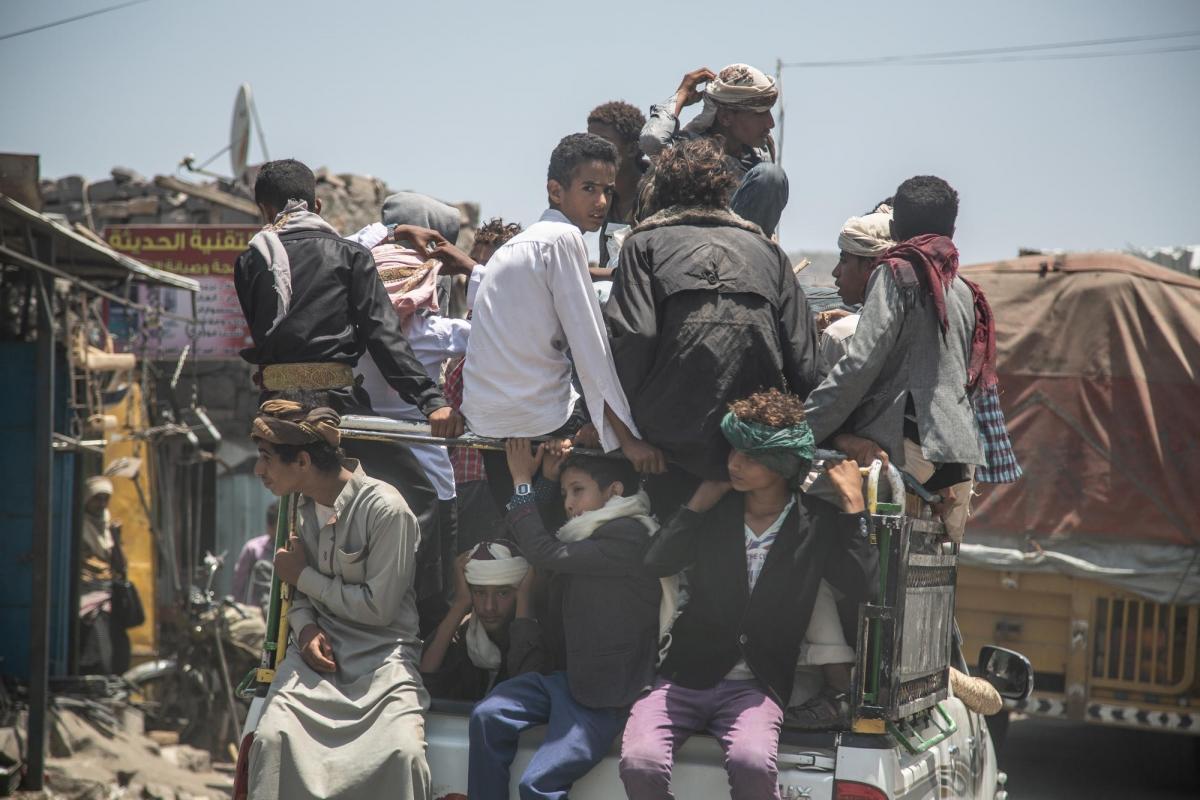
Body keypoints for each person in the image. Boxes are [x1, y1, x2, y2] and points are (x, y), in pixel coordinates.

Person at [233, 159, 461, 633]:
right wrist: (431, 400)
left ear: (263, 210)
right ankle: (417, 612)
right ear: (318, 205)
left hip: (275, 410)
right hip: (333, 411)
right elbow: (384, 338)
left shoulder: (252, 256)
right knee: (417, 493)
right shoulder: (348, 256)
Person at [619, 390, 878, 800]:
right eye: (734, 452)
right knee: (640, 762)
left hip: (756, 687)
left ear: (781, 465)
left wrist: (853, 506)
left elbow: (864, 584)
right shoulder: (715, 512)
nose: (734, 463)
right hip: (684, 677)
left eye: (750, 457)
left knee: (752, 764)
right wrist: (698, 504)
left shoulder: (817, 522)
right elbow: (656, 563)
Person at [604, 136, 819, 517]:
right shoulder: (769, 252)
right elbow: (805, 359)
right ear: (724, 191)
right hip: (753, 441)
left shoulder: (643, 244)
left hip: (666, 445)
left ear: (661, 191)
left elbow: (635, 337)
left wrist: (627, 434)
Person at [461, 133, 663, 512]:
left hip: (488, 421)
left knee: (519, 524)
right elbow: (591, 347)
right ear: (556, 191)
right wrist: (628, 439)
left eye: (607, 190)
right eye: (589, 188)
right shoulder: (563, 238)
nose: (601, 202)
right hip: (543, 421)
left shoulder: (513, 246)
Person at [247, 397, 430, 799]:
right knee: (272, 739)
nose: (259, 471)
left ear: (302, 463)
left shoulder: (387, 510)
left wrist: (303, 576)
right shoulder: (297, 505)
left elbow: (378, 609)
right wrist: (306, 626)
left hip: (383, 660)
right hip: (315, 661)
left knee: (404, 754)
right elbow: (297, 599)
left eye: (266, 458)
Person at [467, 442, 663, 800]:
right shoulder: (584, 530)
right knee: (487, 716)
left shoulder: (628, 535)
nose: (569, 503)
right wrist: (545, 480)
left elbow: (545, 550)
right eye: (565, 493)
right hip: (566, 681)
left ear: (613, 491)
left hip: (605, 696)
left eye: (578, 491)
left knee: (537, 785)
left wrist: (522, 480)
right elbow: (529, 536)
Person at [804, 176, 995, 542]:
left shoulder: (896, 273)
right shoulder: (964, 290)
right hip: (951, 460)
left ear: (895, 227)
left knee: (795, 484)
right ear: (952, 228)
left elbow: (860, 364)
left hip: (903, 448)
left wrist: (805, 428)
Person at [354, 191, 478, 632]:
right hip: (428, 477)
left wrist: (387, 234)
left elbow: (340, 254)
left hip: (361, 469)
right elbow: (499, 323)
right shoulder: (433, 332)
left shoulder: (348, 331)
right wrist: (473, 268)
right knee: (430, 588)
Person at [640, 63, 788, 236]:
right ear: (726, 117)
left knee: (770, 177)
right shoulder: (688, 154)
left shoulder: (759, 155)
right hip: (693, 248)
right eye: (760, 113)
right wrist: (680, 95)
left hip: (743, 254)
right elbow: (652, 140)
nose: (770, 123)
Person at [419, 541, 542, 701]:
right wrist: (460, 604)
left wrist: (524, 602)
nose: (489, 607)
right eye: (480, 593)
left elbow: (525, 698)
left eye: (503, 593)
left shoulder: (539, 639)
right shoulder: (464, 634)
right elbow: (424, 685)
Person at [586, 100, 647, 287]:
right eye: (589, 142)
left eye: (603, 143)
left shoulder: (657, 194)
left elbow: (651, 269)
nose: (591, 152)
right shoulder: (603, 199)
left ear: (632, 149)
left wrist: (587, 273)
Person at [78, 476, 134, 675]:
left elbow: (120, 566)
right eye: (97, 498)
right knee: (97, 646)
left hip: (108, 596)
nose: (101, 504)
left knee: (117, 647)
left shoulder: (107, 525)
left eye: (105, 499)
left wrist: (116, 540)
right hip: (87, 595)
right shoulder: (79, 527)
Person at [232, 501, 279, 606]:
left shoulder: (292, 548)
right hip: (256, 612)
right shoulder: (253, 549)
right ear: (268, 526)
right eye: (272, 527)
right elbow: (239, 584)